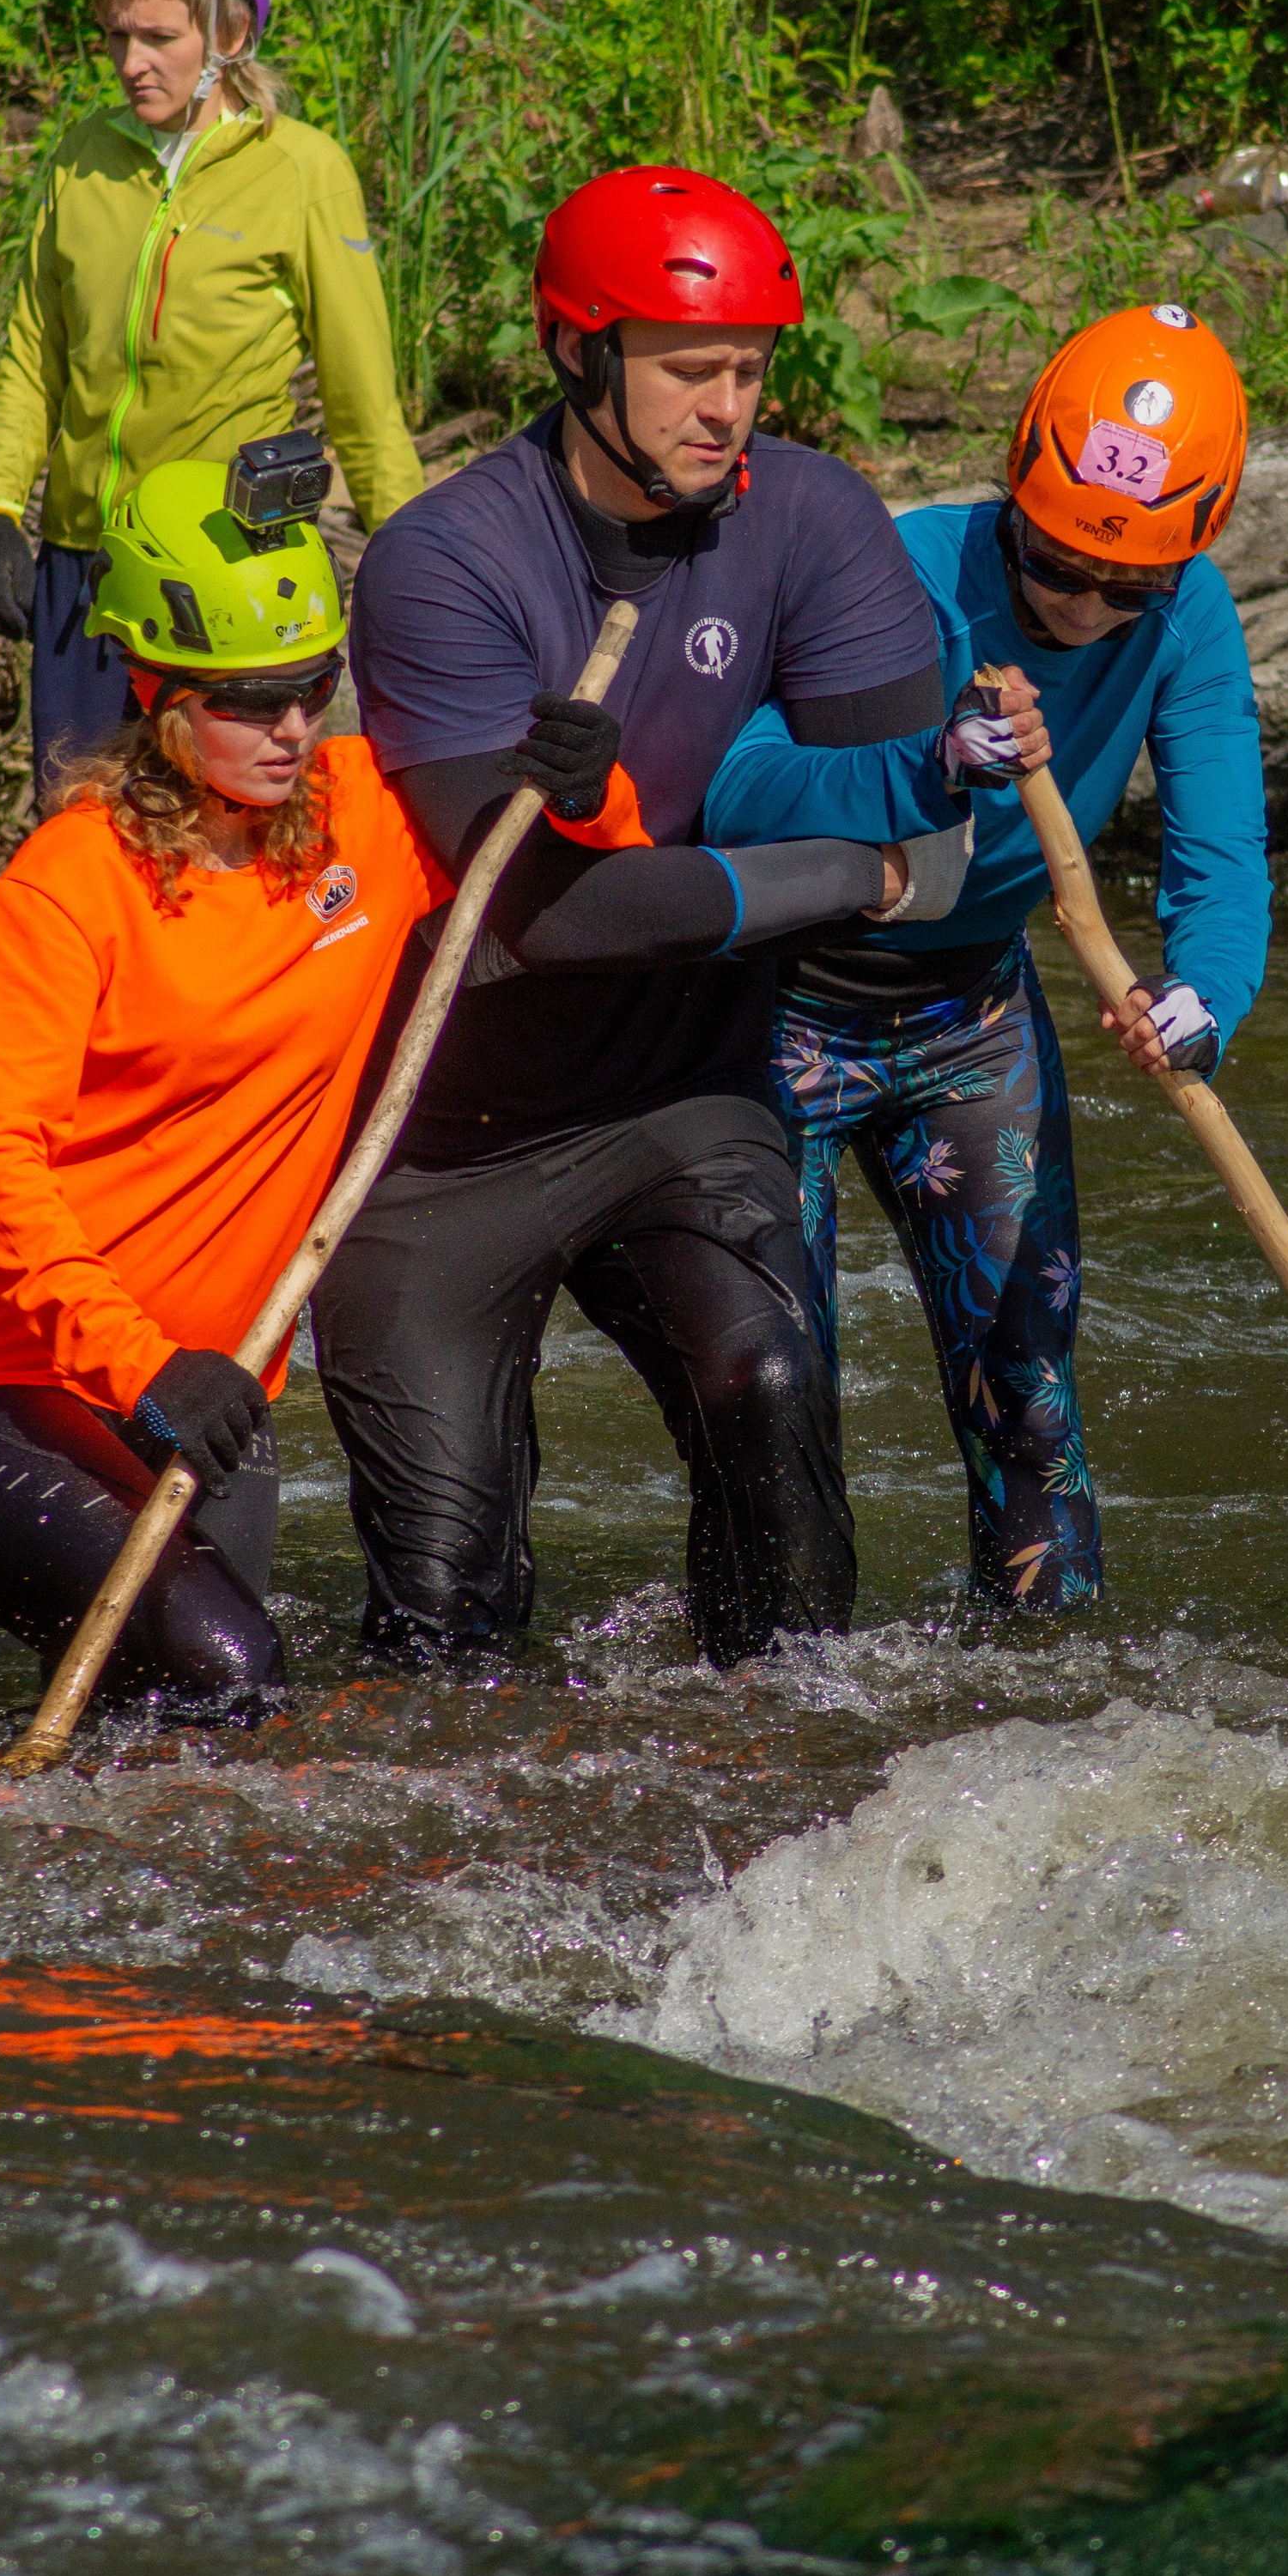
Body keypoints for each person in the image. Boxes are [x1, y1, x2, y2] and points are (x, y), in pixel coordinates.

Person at [321, 166, 970, 1669]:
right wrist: (833, 872)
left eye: (749, 370)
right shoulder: (447, 558)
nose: (727, 406)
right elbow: (549, 915)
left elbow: (925, 855)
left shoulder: (810, 520)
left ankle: (776, 1785)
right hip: (443, 1134)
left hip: (686, 1093)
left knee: (775, 1397)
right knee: (446, 1603)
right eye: (690, 369)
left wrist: (865, 866)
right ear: (580, 353)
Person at [0, 442, 561, 1710]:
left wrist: (583, 785)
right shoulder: (68, 884)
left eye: (314, 687)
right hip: (10, 1398)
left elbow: (558, 849)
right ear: (158, 693)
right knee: (231, 1675)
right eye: (252, 699)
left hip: (215, 1397)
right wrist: (137, 1365)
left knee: (175, 1745)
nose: (296, 729)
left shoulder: (369, 813)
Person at [703, 300, 1269, 1617]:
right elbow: (733, 788)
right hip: (772, 1011)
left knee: (1028, 1393)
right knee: (775, 1391)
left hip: (971, 1020)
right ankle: (774, 1712)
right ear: (1014, 490)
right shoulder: (890, 568)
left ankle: (1051, 1725)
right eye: (1058, 567)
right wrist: (923, 763)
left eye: (1127, 589)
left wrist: (1205, 998)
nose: (1083, 609)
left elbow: (1221, 855)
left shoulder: (1188, 618)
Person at [0, 0, 424, 802]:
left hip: (227, 569)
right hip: (84, 565)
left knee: (227, 842)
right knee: (81, 830)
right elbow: (32, 354)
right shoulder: (82, 158)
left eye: (158, 38)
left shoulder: (301, 171)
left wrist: (416, 564)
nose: (132, 62)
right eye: (116, 36)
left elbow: (365, 403)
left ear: (230, 34)